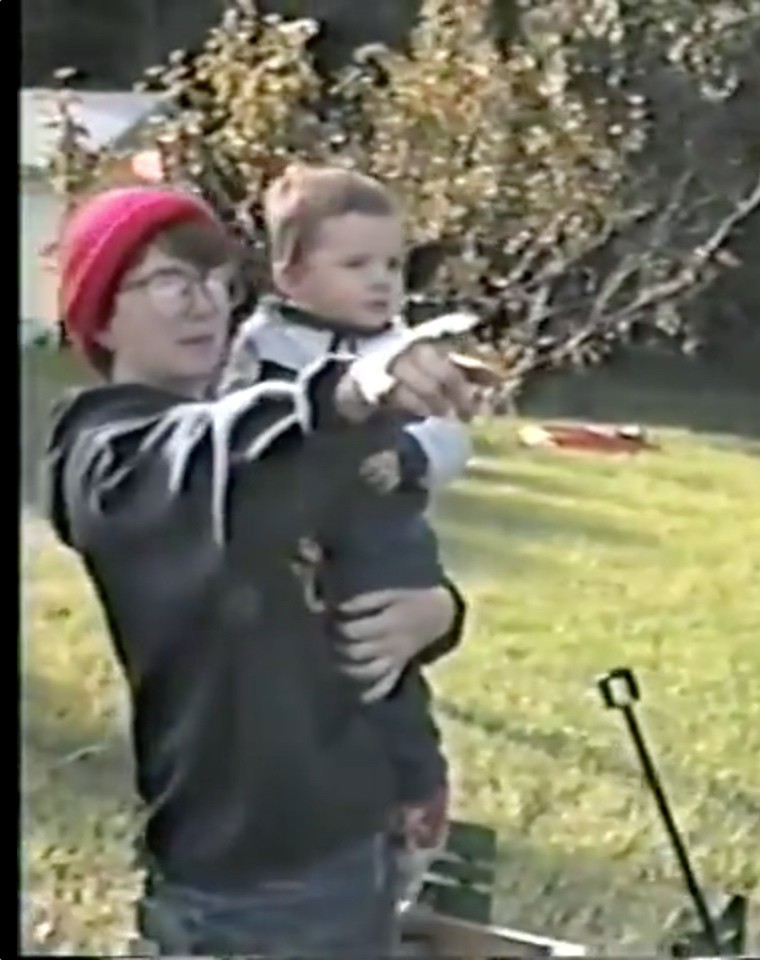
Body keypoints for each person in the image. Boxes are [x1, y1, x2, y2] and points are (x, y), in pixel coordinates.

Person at [42, 185, 476, 955]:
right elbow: (214, 454)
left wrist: (437, 612)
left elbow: (367, 544)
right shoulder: (106, 456)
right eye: (171, 282)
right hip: (252, 883)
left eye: (216, 282)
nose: (203, 304)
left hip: (355, 838)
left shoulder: (273, 434)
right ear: (103, 315)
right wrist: (346, 389)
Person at [220, 164, 484, 904]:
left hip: (387, 549)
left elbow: (454, 436)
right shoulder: (266, 349)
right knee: (333, 689)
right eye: (357, 264)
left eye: (394, 265)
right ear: (291, 273)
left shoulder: (406, 349)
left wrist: (409, 455)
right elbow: (243, 436)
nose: (382, 283)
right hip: (304, 559)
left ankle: (416, 796)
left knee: (391, 681)